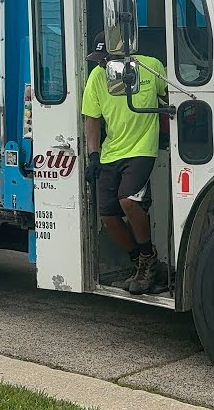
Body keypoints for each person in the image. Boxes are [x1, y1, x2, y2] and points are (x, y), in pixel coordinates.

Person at [81, 31, 167, 294]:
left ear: (123, 55)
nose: (101, 64)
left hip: (142, 148)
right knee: (108, 215)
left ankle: (148, 259)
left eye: (105, 59)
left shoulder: (151, 67)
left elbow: (169, 98)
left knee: (128, 200)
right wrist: (93, 155)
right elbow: (92, 119)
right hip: (111, 152)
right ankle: (138, 262)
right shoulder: (97, 77)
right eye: (98, 60)